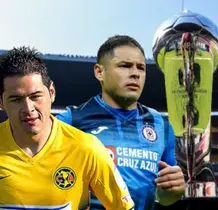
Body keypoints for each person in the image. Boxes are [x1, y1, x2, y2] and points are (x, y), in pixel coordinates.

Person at [57, 35, 186, 210]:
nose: (135, 73)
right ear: (99, 72)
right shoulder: (71, 120)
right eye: (125, 66)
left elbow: (164, 197)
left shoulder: (161, 125)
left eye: (141, 68)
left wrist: (173, 191)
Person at [0, 46, 134, 210]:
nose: (28, 109)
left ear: (52, 92)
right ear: (1, 102)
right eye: (16, 99)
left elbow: (123, 207)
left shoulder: (86, 148)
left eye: (35, 96)